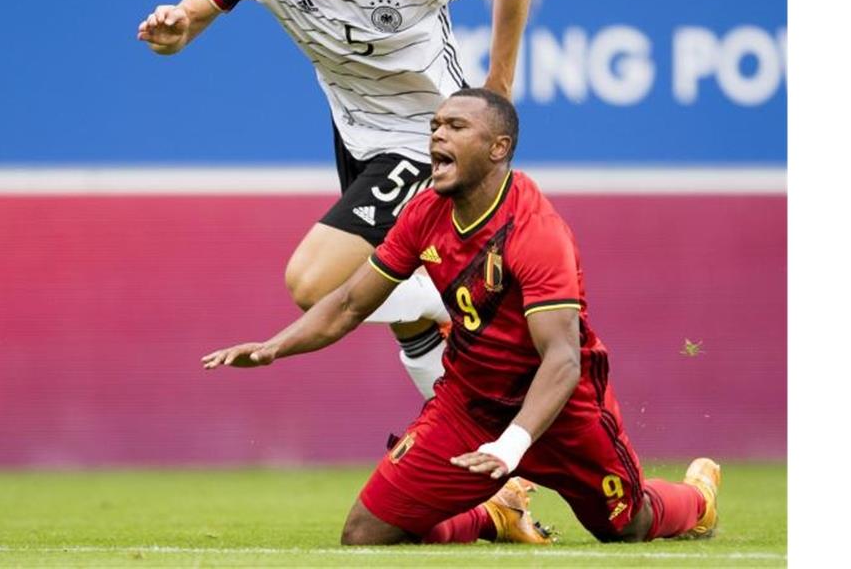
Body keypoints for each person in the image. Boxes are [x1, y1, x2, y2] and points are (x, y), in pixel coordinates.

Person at [202, 88, 721, 546]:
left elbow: (562, 359)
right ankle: (497, 516)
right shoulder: (425, 211)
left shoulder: (536, 231)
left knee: (623, 526)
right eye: (434, 126)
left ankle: (697, 499)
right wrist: (275, 346)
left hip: (560, 411)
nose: (436, 137)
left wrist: (513, 444)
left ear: (498, 148)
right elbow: (348, 303)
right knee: (365, 534)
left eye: (455, 127)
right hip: (468, 406)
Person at [137, 0, 532, 401]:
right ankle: (484, 465)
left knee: (312, 282)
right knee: (409, 326)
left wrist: (499, 87)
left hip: (427, 133)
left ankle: (438, 295)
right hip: (354, 133)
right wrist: (172, 34)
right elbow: (185, 26)